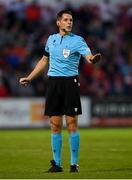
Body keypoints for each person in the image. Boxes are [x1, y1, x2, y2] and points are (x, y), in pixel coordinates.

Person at [19, 9, 101, 173]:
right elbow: (44, 60)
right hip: (54, 83)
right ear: (58, 22)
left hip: (70, 83)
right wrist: (29, 77)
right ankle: (56, 164)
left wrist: (93, 59)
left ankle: (74, 164)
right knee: (55, 125)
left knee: (71, 124)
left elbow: (88, 56)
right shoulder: (51, 39)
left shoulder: (78, 40)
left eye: (71, 20)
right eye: (66, 20)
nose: (69, 22)